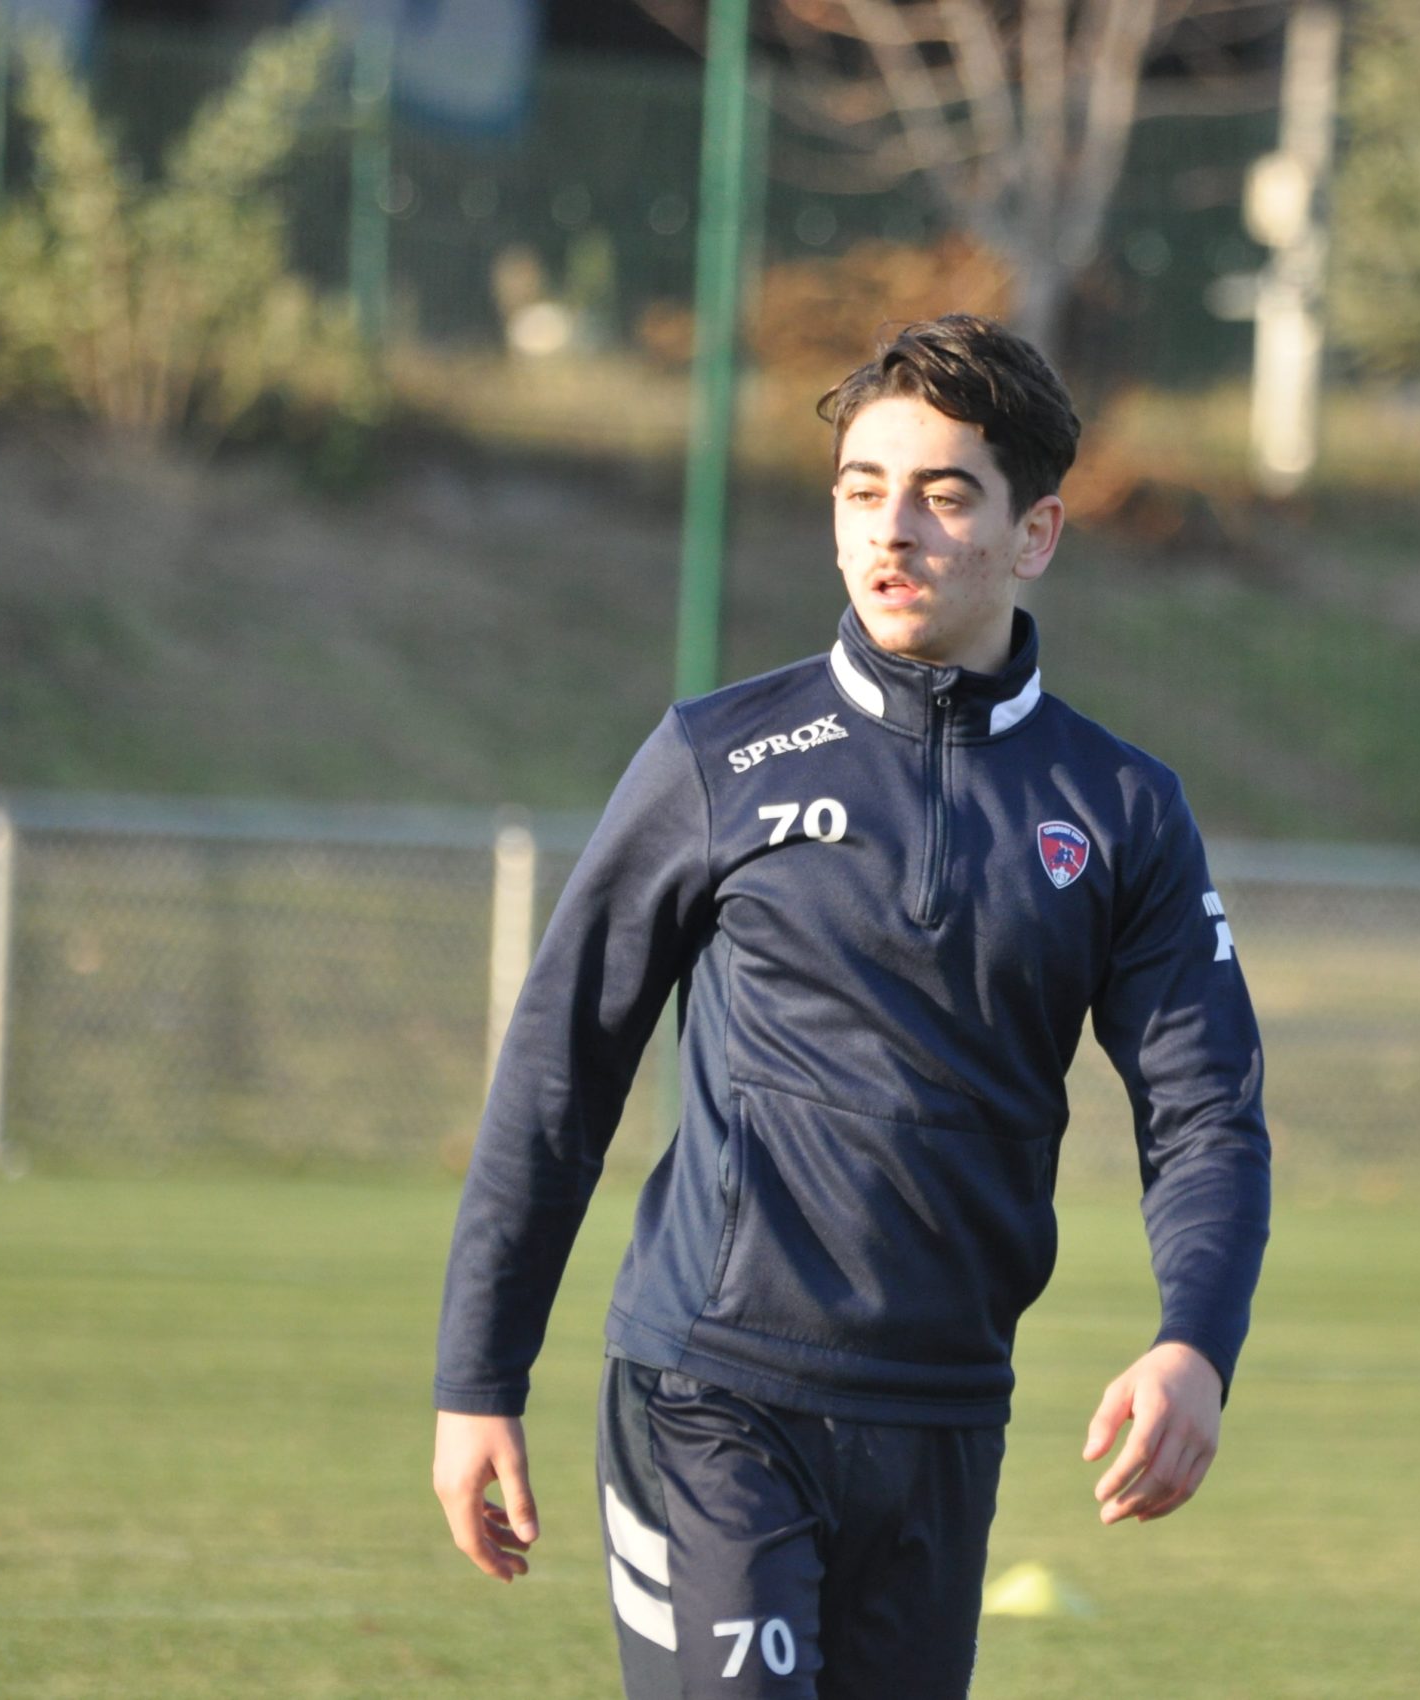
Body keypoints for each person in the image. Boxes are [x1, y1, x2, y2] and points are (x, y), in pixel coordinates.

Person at [431, 315, 1272, 1699]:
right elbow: (557, 1075)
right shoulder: (717, 759)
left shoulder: (1120, 811)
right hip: (710, 1395)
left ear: (1035, 532)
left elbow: (1209, 1117)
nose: (896, 531)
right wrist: (480, 1377)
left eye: (946, 496)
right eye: (863, 489)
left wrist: (1197, 1341)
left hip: (944, 1421)